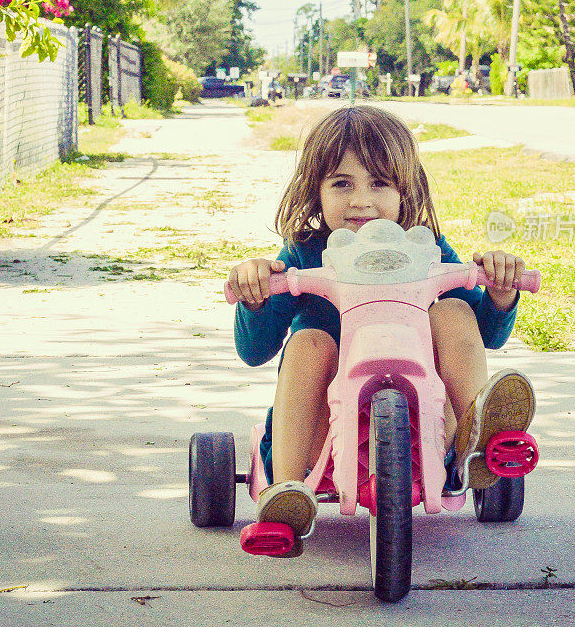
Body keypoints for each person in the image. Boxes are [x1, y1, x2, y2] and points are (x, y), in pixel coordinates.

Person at [227, 105, 535, 556]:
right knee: (311, 341)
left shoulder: (424, 248)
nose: (361, 200)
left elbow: (485, 334)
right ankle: (286, 495)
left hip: (425, 421)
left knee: (451, 311)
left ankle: (479, 436)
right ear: (316, 190)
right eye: (341, 184)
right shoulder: (302, 254)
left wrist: (502, 293)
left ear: (404, 190)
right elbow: (255, 351)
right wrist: (257, 296)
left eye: (379, 183)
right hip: (319, 437)